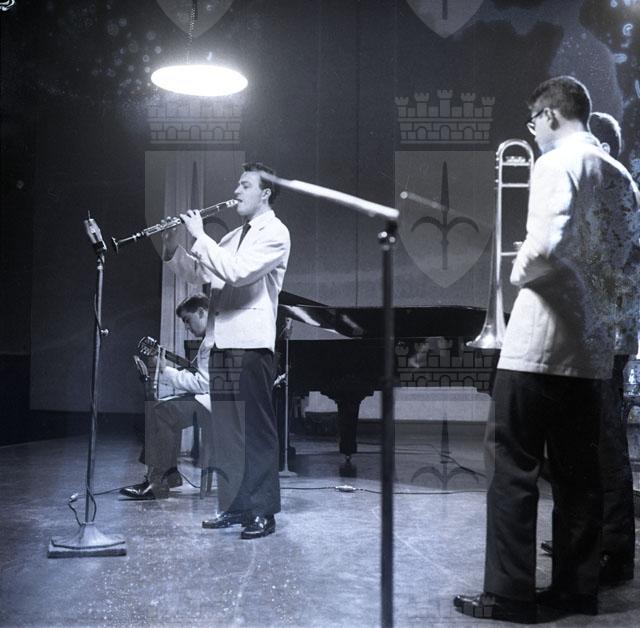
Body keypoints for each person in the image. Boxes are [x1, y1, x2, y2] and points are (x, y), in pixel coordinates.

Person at [453, 76, 640, 622]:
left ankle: (508, 595)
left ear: (552, 114)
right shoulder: (622, 176)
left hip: (540, 344)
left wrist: (516, 271)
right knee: (580, 477)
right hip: (591, 349)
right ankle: (576, 592)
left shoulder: (557, 162)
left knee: (512, 467)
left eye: (533, 119)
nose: (532, 130)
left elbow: (547, 248)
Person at [162, 161, 290, 540]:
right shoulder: (234, 235)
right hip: (221, 345)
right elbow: (200, 273)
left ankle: (263, 511)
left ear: (265, 193)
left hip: (250, 346)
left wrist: (200, 235)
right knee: (227, 434)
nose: (236, 191)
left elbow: (238, 273)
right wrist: (172, 244)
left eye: (244, 185)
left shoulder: (276, 233)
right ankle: (235, 506)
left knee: (256, 432)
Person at [540, 111, 638, 586]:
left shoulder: (614, 193)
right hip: (597, 332)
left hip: (607, 334)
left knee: (605, 443)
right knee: (587, 441)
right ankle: (587, 539)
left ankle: (613, 549)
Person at [121, 293, 211, 500]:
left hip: (216, 404)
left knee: (162, 412)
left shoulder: (211, 343)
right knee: (164, 408)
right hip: (216, 401)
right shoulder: (210, 340)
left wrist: (164, 369)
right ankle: (169, 474)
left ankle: (156, 482)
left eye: (188, 320)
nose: (186, 327)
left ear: (201, 312)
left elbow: (203, 384)